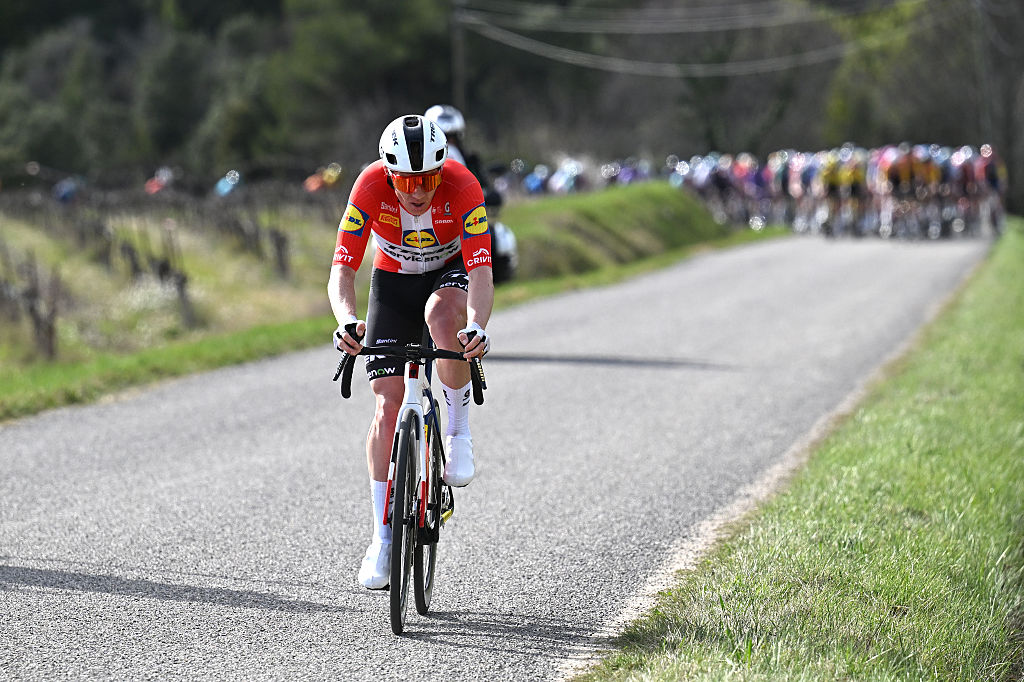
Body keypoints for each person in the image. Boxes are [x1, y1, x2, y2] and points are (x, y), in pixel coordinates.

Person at [328, 114, 494, 589]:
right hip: (393, 282)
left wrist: (477, 326)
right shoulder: (367, 187)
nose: (417, 191)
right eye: (405, 180)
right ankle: (382, 538)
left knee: (444, 320)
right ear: (388, 172)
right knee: (386, 406)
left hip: (449, 273)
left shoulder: (463, 186)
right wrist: (345, 321)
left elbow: (482, 272)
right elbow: (342, 271)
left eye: (426, 180)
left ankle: (458, 431)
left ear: (441, 171)